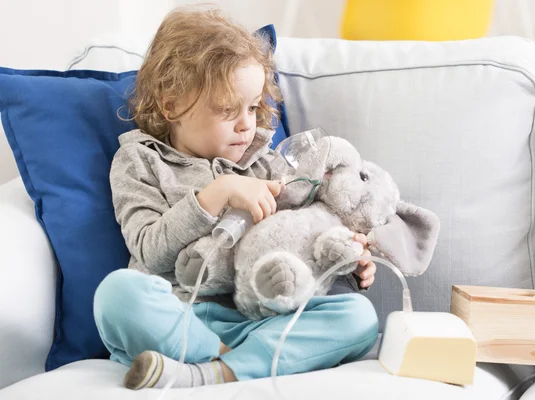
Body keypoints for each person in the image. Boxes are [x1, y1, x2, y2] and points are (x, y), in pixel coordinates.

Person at [93, 7, 378, 390]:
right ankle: (235, 361)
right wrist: (217, 194)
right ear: (172, 103)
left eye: (253, 107)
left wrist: (345, 262)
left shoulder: (268, 165)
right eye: (228, 109)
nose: (246, 124)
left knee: (358, 316)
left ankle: (212, 372)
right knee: (116, 294)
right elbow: (149, 249)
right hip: (178, 318)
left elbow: (303, 243)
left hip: (256, 317)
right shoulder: (139, 160)